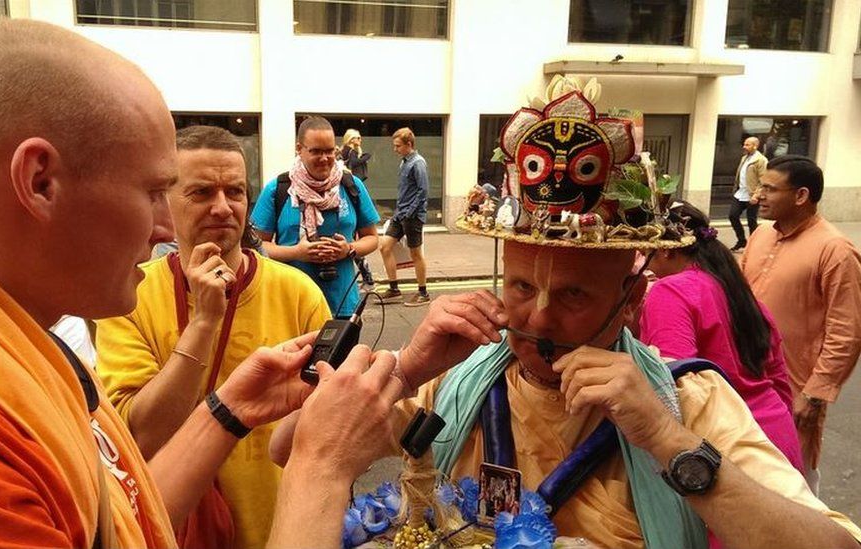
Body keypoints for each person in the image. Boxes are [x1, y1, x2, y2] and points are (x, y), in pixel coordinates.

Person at [0, 19, 407, 548]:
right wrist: (321, 467)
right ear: (40, 181)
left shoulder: (10, 344)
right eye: (156, 191)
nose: (165, 226)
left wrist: (229, 411)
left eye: (233, 192)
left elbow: (120, 517)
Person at [272, 81, 861, 548]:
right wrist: (408, 370)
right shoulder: (459, 378)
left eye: (576, 296)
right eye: (522, 285)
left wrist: (662, 436)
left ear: (632, 302)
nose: (540, 318)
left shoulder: (690, 400)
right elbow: (289, 446)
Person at [93, 125, 332, 548]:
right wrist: (204, 323)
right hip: (172, 530)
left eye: (235, 192)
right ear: (165, 201)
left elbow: (330, 429)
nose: (223, 208)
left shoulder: (298, 293)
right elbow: (139, 438)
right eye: (201, 193)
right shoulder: (129, 296)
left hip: (279, 532)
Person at [640, 201, 802, 471]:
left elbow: (676, 384)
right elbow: (778, 378)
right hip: (776, 440)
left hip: (727, 449)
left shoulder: (670, 292)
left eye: (646, 250)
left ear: (666, 250)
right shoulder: (736, 289)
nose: (645, 260)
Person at [742, 154, 861, 494]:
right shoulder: (760, 236)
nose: (759, 195)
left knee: (793, 481)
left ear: (801, 196)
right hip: (749, 377)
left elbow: (847, 331)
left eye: (769, 188)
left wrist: (816, 394)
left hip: (796, 388)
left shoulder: (835, 250)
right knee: (749, 472)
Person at [252, 116, 380, 317]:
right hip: (292, 306)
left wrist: (348, 249)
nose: (324, 158)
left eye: (329, 150)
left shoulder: (351, 185)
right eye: (316, 151)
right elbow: (256, 247)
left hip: (343, 304)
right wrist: (296, 253)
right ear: (299, 149)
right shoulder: (278, 189)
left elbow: (372, 238)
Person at [380, 127, 430, 306]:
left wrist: (409, 212)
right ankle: (394, 290)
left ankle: (423, 293)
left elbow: (423, 191)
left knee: (416, 253)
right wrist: (399, 212)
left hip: (412, 215)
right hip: (400, 214)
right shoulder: (404, 162)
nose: (395, 149)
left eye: (398, 146)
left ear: (409, 144)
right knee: (385, 247)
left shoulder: (418, 163)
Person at [340, 128, 377, 290]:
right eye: (356, 138)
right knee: (354, 244)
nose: (359, 141)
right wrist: (365, 157)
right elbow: (354, 164)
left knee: (354, 244)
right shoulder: (348, 151)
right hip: (350, 192)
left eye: (360, 138)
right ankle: (368, 278)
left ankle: (368, 278)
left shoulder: (351, 152)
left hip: (355, 191)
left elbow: (372, 238)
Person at [729, 136, 767, 251]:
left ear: (755, 146)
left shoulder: (761, 160)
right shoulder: (744, 158)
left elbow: (763, 180)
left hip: (752, 195)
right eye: (744, 144)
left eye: (747, 145)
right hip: (740, 193)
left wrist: (756, 195)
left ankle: (753, 244)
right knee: (733, 215)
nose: (744, 147)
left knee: (752, 221)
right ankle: (742, 240)